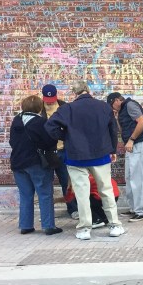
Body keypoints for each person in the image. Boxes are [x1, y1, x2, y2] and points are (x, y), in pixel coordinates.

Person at [45, 81, 126, 240]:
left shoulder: (67, 109)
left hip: (76, 156)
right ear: (88, 90)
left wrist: (65, 137)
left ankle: (84, 229)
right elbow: (113, 129)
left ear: (74, 93)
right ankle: (115, 225)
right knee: (106, 190)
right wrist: (112, 150)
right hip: (101, 154)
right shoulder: (103, 107)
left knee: (81, 194)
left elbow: (50, 126)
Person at [9, 95, 62, 236]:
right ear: (40, 107)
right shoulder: (41, 122)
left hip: (18, 162)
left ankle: (25, 225)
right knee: (44, 193)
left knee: (25, 194)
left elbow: (12, 142)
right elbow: (49, 142)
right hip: (37, 162)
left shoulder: (16, 120)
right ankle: (48, 225)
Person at [107, 92, 143, 222]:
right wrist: (117, 117)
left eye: (112, 105)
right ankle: (134, 209)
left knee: (138, 177)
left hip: (139, 144)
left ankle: (141, 211)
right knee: (130, 177)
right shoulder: (122, 110)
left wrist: (131, 139)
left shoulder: (130, 105)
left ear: (116, 100)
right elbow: (123, 129)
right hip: (131, 145)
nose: (112, 108)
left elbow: (142, 123)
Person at [40, 84, 78, 219]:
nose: (50, 101)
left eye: (52, 98)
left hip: (63, 149)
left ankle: (73, 209)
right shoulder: (39, 109)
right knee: (46, 182)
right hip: (47, 152)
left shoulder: (64, 107)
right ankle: (47, 212)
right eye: (47, 99)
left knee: (66, 181)